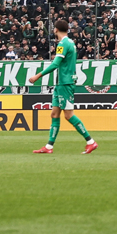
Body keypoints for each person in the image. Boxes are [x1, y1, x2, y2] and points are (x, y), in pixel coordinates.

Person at [27, 19, 97, 154]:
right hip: (61, 83)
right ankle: (49, 147)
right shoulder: (70, 42)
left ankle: (90, 142)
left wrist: (38, 76)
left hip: (65, 83)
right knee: (54, 114)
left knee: (69, 115)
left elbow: (55, 64)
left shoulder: (63, 44)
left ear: (56, 30)